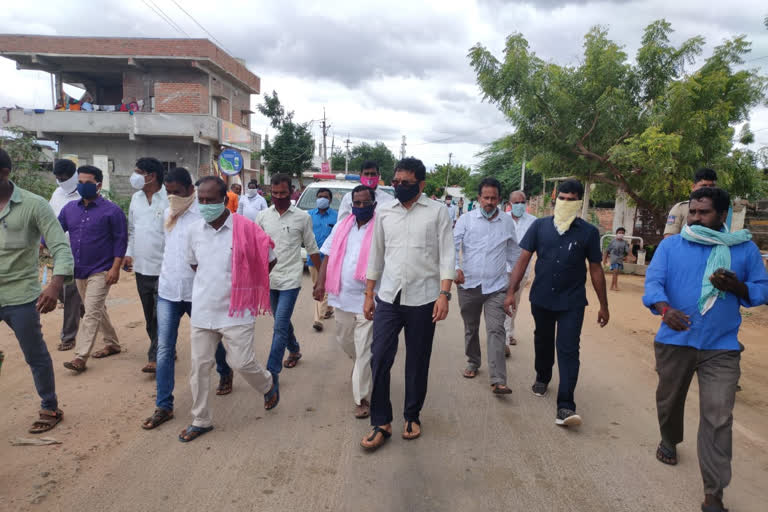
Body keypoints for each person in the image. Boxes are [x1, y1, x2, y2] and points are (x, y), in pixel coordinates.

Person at [642, 187, 768, 512]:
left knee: (718, 417)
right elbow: (653, 282)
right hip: (675, 341)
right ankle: (669, 440)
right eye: (693, 212)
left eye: (704, 213)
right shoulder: (672, 245)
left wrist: (736, 286)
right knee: (669, 404)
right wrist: (664, 309)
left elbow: (760, 290)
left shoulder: (744, 250)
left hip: (721, 347)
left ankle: (714, 494)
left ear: (722, 215)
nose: (695, 218)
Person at [360, 157, 455, 451]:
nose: (399, 187)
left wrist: (444, 294)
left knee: (417, 360)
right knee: (379, 357)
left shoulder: (438, 212)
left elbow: (447, 255)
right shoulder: (385, 212)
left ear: (421, 184)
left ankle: (412, 415)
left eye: (406, 183)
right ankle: (381, 421)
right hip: (388, 295)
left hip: (424, 297)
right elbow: (376, 253)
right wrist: (369, 292)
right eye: (396, 182)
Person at [180, 176, 278, 442]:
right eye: (200, 200)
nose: (204, 205)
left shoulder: (245, 228)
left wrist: (248, 283)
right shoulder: (193, 231)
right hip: (203, 309)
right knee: (199, 367)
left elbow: (270, 258)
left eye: (210, 200)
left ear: (225, 200)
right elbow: (194, 265)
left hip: (237, 311)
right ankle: (201, 420)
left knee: (241, 362)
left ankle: (267, 384)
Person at [504, 179, 609, 427]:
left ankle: (565, 405)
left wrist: (604, 305)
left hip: (572, 301)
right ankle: (543, 375)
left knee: (569, 348)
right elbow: (523, 260)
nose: (566, 202)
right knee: (543, 340)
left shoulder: (589, 232)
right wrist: (511, 291)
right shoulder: (540, 227)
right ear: (555, 199)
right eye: (562, 198)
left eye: (572, 199)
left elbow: (595, 269)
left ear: (579, 203)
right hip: (542, 297)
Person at [141, 168, 235, 430]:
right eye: (168, 192)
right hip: (169, 290)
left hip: (198, 292)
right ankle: (164, 405)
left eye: (177, 192)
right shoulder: (167, 212)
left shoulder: (206, 213)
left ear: (190, 190)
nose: (172, 197)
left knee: (212, 341)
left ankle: (225, 371)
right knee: (164, 349)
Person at [0, 148, 72, 433]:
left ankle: (50, 406)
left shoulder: (34, 204)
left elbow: (60, 247)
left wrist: (55, 284)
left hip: (21, 295)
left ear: (5, 173)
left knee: (35, 354)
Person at [314, 185, 379, 418]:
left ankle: (361, 398)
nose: (361, 207)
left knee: (363, 349)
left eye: (365, 203)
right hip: (341, 297)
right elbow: (327, 256)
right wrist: (320, 283)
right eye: (357, 203)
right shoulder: (343, 226)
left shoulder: (381, 228)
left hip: (369, 300)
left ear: (374, 204)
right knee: (344, 340)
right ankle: (362, 368)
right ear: (352, 205)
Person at [59, 166, 127, 373]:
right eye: (80, 182)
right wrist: (42, 242)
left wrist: (115, 268)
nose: (82, 186)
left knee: (90, 312)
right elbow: (54, 230)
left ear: (98, 185)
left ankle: (80, 356)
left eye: (87, 182)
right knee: (96, 309)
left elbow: (120, 241)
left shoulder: (112, 211)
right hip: (78, 269)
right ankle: (113, 343)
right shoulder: (69, 209)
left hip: (101, 269)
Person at [454, 178, 517, 394]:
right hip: (468, 284)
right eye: (485, 197)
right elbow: (452, 246)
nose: (489, 202)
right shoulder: (466, 220)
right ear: (479, 198)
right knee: (471, 328)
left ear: (499, 199)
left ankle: (498, 379)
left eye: (493, 198)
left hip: (496, 287)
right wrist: (455, 268)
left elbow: (514, 254)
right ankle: (473, 362)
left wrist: (512, 287)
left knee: (496, 330)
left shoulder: (508, 223)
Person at [256, 174, 321, 377]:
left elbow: (312, 248)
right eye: (274, 193)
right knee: (281, 321)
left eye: (282, 193)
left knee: (280, 326)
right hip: (269, 279)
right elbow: (257, 250)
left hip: (291, 279)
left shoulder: (303, 217)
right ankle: (294, 349)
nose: (278, 196)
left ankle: (271, 374)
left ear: (291, 192)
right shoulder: (263, 217)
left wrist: (320, 281)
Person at [124, 157, 169, 373]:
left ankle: (155, 355)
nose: (134, 175)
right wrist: (128, 254)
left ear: (151, 176)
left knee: (159, 314)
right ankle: (162, 345)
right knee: (148, 314)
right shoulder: (136, 199)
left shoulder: (169, 199)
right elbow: (132, 230)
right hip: (141, 267)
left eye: (138, 171)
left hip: (164, 267)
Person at [48, 158, 84, 352]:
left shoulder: (84, 193)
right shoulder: (57, 194)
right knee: (62, 292)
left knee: (70, 293)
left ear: (74, 175)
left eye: (64, 178)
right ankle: (83, 308)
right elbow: (49, 219)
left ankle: (68, 337)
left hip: (79, 253)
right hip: (58, 250)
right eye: (58, 178)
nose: (61, 181)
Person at [504, 190, 537, 349]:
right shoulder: (502, 219)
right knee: (502, 301)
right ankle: (502, 338)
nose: (519, 205)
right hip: (503, 269)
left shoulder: (534, 222)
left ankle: (509, 332)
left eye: (522, 202)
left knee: (514, 302)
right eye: (516, 202)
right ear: (510, 204)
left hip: (522, 271)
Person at [307, 187, 338, 332]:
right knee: (316, 285)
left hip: (329, 259)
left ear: (330, 200)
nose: (322, 199)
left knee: (322, 288)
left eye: (325, 196)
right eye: (320, 196)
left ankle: (318, 320)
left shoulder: (337, 217)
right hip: (313, 258)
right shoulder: (308, 216)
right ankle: (329, 307)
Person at [664, 168, 717, 238]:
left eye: (712, 186)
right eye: (703, 186)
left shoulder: (720, 209)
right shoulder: (680, 208)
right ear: (693, 187)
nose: (708, 190)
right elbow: (669, 239)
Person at [604, 227, 630, 291]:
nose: (621, 234)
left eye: (622, 233)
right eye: (619, 233)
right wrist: (605, 259)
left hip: (620, 260)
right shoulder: (612, 242)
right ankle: (615, 286)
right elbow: (607, 251)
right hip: (613, 259)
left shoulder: (625, 243)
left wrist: (627, 257)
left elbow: (627, 251)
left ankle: (611, 286)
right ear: (616, 233)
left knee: (615, 273)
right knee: (615, 272)